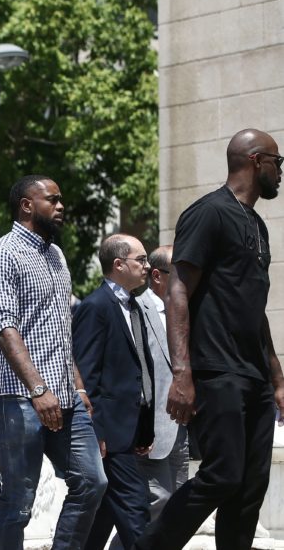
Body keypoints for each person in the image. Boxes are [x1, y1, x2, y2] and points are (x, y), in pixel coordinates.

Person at [136, 129, 284, 550]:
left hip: (253, 373)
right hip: (217, 369)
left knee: (250, 485)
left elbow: (254, 308)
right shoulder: (208, 213)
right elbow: (178, 291)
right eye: (277, 162)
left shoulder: (256, 224)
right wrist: (182, 373)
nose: (280, 171)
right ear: (256, 160)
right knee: (222, 474)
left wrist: (277, 378)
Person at [0, 175, 106, 550]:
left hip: (65, 395)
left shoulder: (57, 255)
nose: (61, 206)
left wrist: (78, 386)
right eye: (52, 199)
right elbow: (4, 327)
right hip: (18, 396)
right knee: (19, 501)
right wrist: (37, 388)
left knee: (92, 481)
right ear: (27, 205)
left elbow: (60, 331)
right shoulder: (2, 254)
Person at [74, 234, 156, 550]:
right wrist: (94, 431)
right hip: (109, 434)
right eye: (141, 259)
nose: (147, 266)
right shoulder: (95, 307)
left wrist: (144, 426)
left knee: (103, 514)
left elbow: (139, 368)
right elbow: (87, 375)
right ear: (119, 264)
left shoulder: (133, 306)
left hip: (131, 430)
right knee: (136, 508)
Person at [134, 245, 188, 519]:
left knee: (179, 507)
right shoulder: (136, 309)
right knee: (156, 502)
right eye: (179, 274)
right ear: (157, 275)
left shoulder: (186, 311)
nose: (186, 280)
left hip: (181, 427)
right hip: (150, 430)